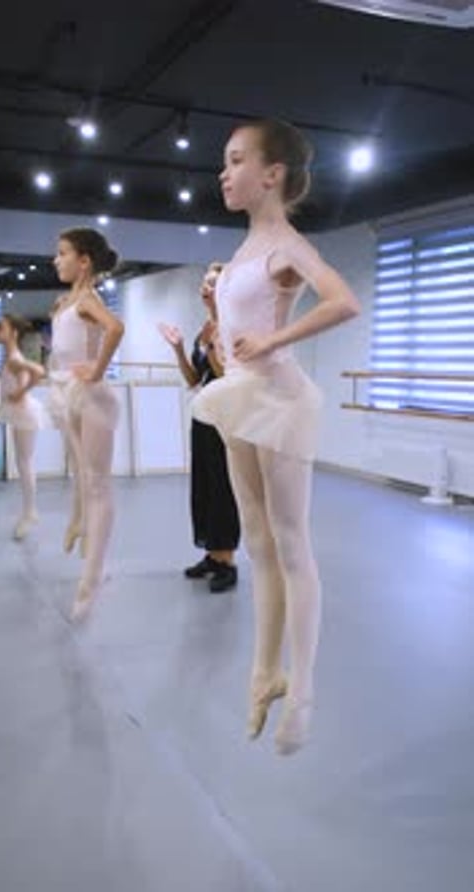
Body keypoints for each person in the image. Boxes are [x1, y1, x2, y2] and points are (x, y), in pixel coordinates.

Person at [193, 119, 360, 755]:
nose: (223, 173)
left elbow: (342, 301)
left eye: (236, 161)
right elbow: (242, 324)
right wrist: (215, 316)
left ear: (273, 174)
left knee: (291, 543)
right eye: (224, 162)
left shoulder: (286, 244)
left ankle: (306, 689)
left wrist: (273, 340)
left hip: (279, 397)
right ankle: (265, 672)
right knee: (258, 540)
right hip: (241, 396)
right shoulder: (243, 251)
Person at [50, 228, 124, 622]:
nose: (55, 260)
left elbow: (115, 328)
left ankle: (92, 577)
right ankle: (82, 527)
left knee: (97, 483)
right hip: (69, 392)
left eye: (62, 254)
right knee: (84, 476)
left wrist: (96, 370)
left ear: (84, 261)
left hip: (90, 396)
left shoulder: (88, 301)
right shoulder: (69, 302)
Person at [159, 263, 240, 593]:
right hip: (203, 414)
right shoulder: (206, 328)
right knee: (204, 486)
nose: (204, 288)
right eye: (204, 283)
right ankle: (212, 554)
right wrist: (179, 348)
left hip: (227, 416)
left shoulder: (234, 328)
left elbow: (229, 376)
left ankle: (228, 561)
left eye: (212, 283)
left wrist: (212, 347)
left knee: (224, 486)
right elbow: (195, 379)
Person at [0, 315, 45, 540]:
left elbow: (39, 372)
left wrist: (21, 392)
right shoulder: (10, 356)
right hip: (19, 411)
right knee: (23, 462)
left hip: (24, 412)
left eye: (2, 327)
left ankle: (30, 511)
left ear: (14, 332)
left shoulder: (14, 358)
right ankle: (29, 511)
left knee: (24, 463)